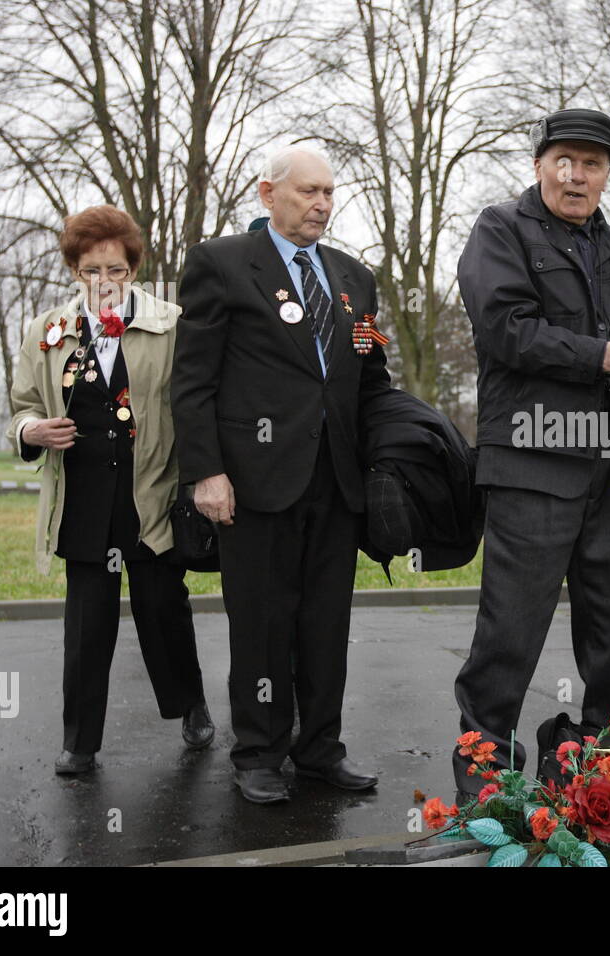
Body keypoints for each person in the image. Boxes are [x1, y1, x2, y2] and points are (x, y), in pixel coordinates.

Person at [451, 108, 610, 798]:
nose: (576, 175)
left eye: (591, 164)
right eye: (564, 161)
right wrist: (607, 355)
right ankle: (485, 768)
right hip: (532, 464)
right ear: (539, 164)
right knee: (511, 631)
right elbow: (506, 332)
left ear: (608, 173)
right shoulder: (500, 231)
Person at [171, 145, 392, 803]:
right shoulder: (223, 264)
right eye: (308, 192)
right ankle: (260, 754)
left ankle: (320, 750)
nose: (322, 204)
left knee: (325, 622)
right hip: (256, 480)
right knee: (263, 622)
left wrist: (402, 457)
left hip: (337, 482)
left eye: (329, 192)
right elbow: (192, 381)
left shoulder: (355, 278)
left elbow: (369, 376)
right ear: (268, 194)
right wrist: (206, 472)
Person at [8, 204, 212, 775]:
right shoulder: (45, 332)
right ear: (75, 271)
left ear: (133, 269)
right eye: (91, 270)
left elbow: (195, 404)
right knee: (87, 626)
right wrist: (32, 430)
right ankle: (81, 742)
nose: (104, 282)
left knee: (162, 611)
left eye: (116, 270)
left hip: (151, 493)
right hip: (83, 502)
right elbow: (21, 408)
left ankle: (189, 704)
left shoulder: (171, 324)